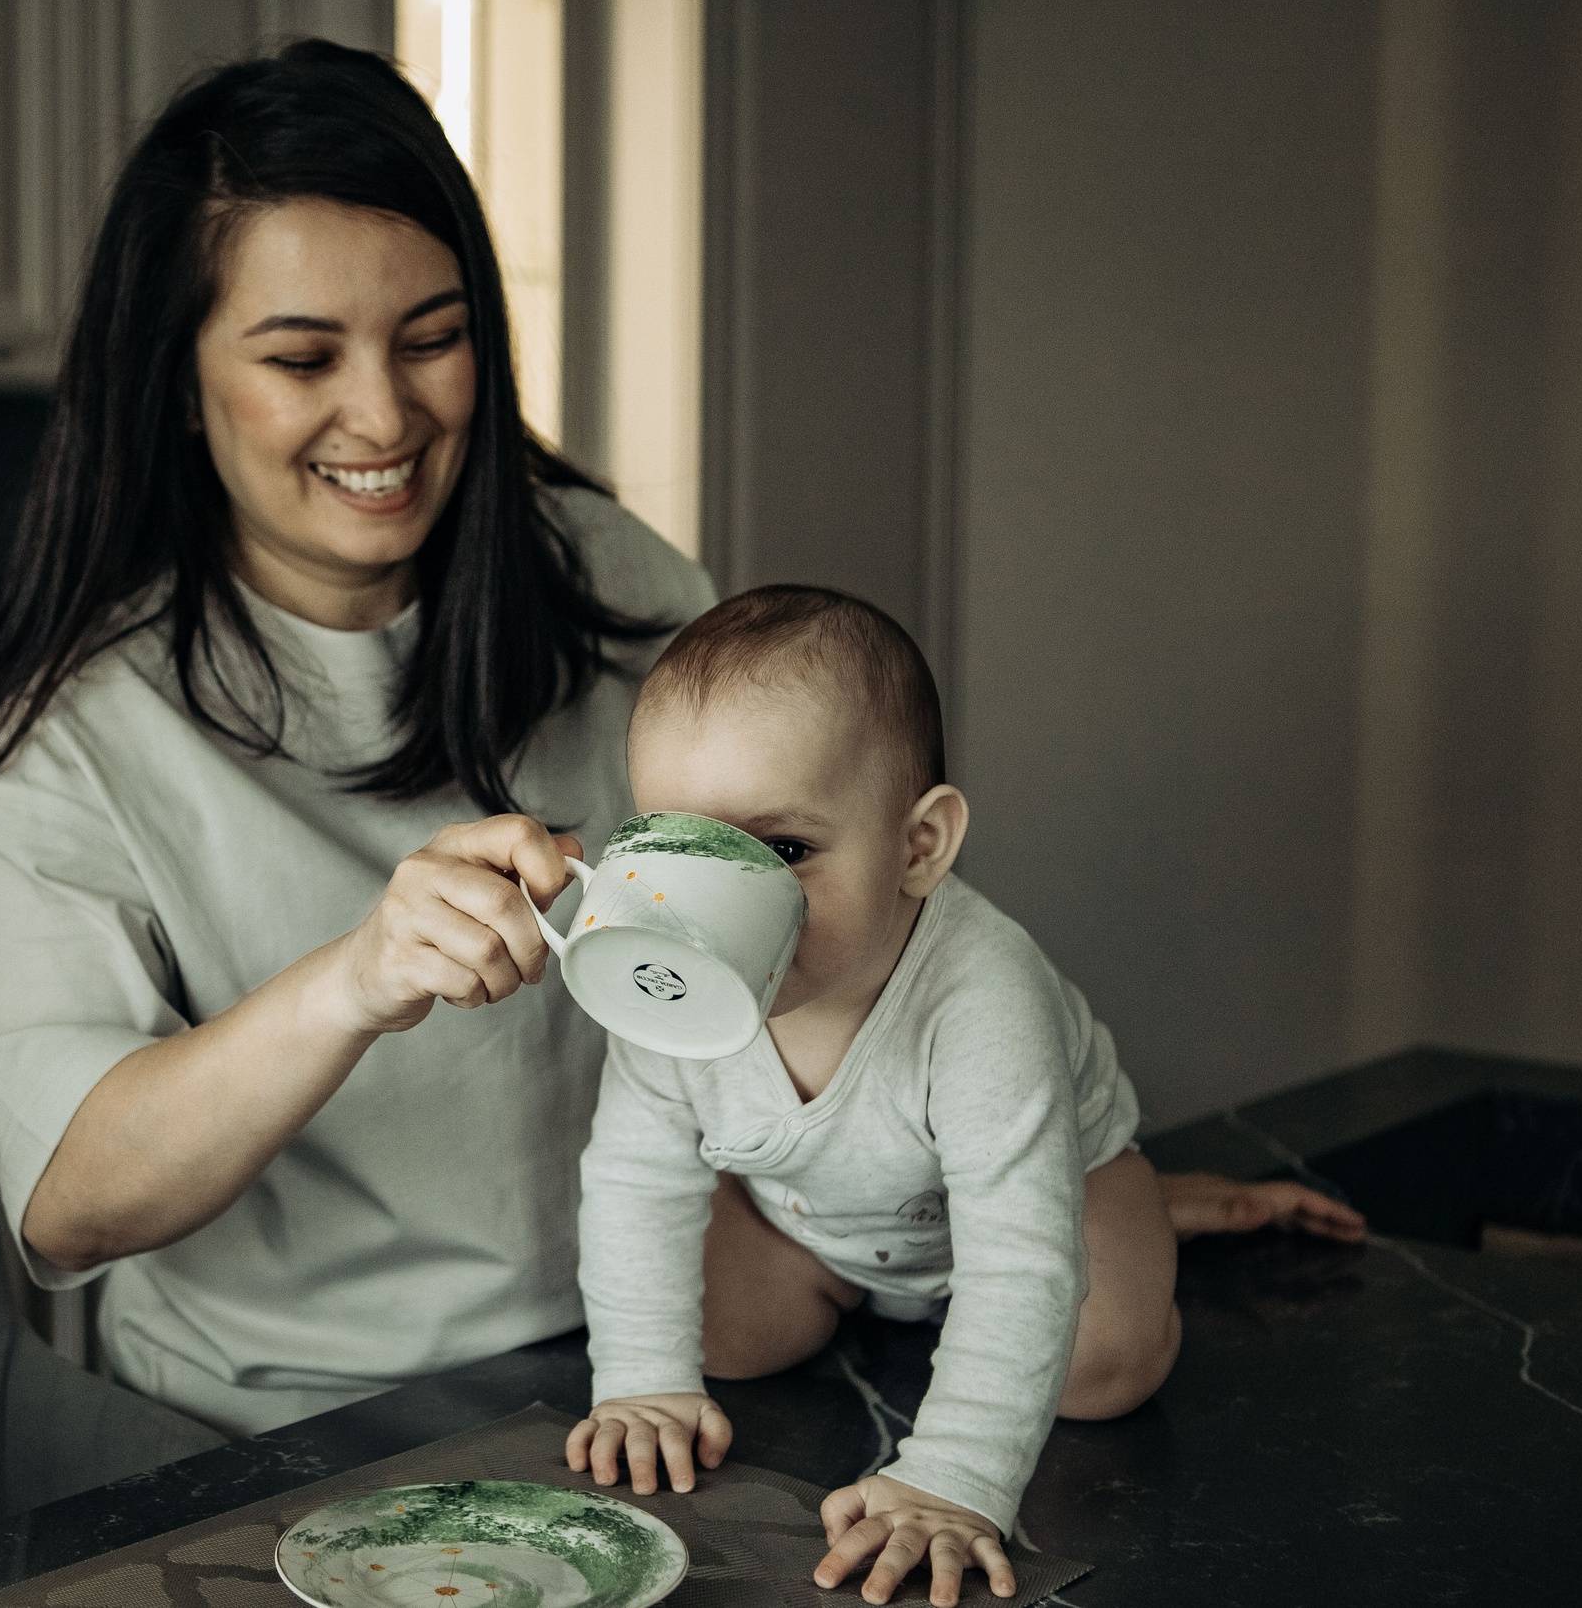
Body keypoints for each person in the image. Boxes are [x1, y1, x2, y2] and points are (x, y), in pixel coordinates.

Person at [0, 39, 714, 1433]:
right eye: (303, 356)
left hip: (652, 1353)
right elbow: (69, 1195)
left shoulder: (618, 583)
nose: (387, 414)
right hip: (285, 1425)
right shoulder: (71, 730)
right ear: (179, 381)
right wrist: (353, 978)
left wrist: (1041, 1174)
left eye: (433, 336)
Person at [563, 586, 1364, 1608]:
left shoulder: (983, 995)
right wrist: (639, 1379)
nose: (717, 910)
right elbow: (632, 1176)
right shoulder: (673, 979)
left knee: (1103, 1369)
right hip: (816, 1213)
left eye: (785, 851)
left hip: (1035, 1195)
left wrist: (951, 1479)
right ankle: (854, 1275)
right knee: (723, 1345)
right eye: (677, 849)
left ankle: (1140, 1201)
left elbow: (1022, 1255)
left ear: (918, 847)